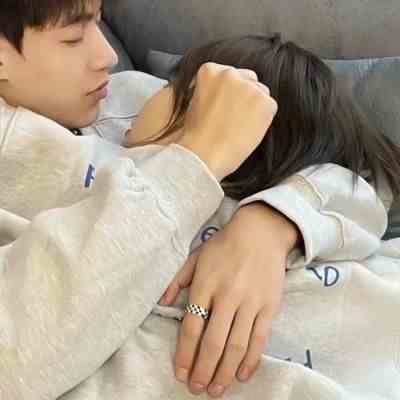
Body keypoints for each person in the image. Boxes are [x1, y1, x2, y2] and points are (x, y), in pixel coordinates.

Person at [0, 1, 397, 399]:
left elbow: (357, 162)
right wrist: (197, 160)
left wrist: (273, 222)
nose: (109, 56)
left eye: (98, 22)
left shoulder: (122, 97)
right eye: (72, 38)